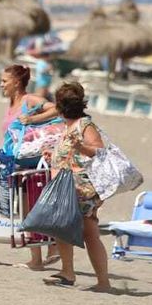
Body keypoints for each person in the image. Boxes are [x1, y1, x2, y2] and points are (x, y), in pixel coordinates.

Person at [43, 81, 112, 292]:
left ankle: (101, 281)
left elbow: (99, 150)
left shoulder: (84, 125)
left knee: (88, 232)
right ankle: (68, 272)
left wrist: (80, 146)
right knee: (63, 228)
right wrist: (53, 156)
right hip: (70, 188)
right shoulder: (71, 125)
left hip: (83, 189)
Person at [0, 64, 61, 270]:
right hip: (17, 162)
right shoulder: (11, 103)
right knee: (26, 209)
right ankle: (37, 258)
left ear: (16, 82)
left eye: (4, 81)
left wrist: (33, 118)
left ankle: (49, 250)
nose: (1, 84)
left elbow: (57, 108)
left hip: (36, 161)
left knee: (37, 207)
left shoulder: (28, 100)